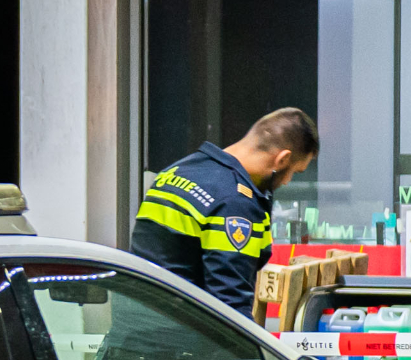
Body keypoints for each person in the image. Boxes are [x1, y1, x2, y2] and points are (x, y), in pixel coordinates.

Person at [130, 107, 318, 318]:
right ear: (282, 159)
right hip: (177, 341)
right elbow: (230, 305)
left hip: (132, 332)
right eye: (294, 171)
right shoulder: (235, 202)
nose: (287, 181)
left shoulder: (177, 171)